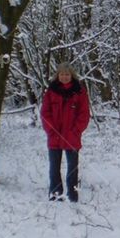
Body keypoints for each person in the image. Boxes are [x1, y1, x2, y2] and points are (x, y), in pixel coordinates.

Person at [40, 62, 90, 201]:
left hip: (72, 136)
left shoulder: (79, 91)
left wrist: (76, 130)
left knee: (72, 167)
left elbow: (84, 114)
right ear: (58, 75)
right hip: (54, 135)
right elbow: (45, 112)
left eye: (67, 74)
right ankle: (55, 194)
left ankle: (73, 194)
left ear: (71, 75)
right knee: (54, 167)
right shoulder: (51, 91)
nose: (64, 77)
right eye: (62, 74)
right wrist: (51, 130)